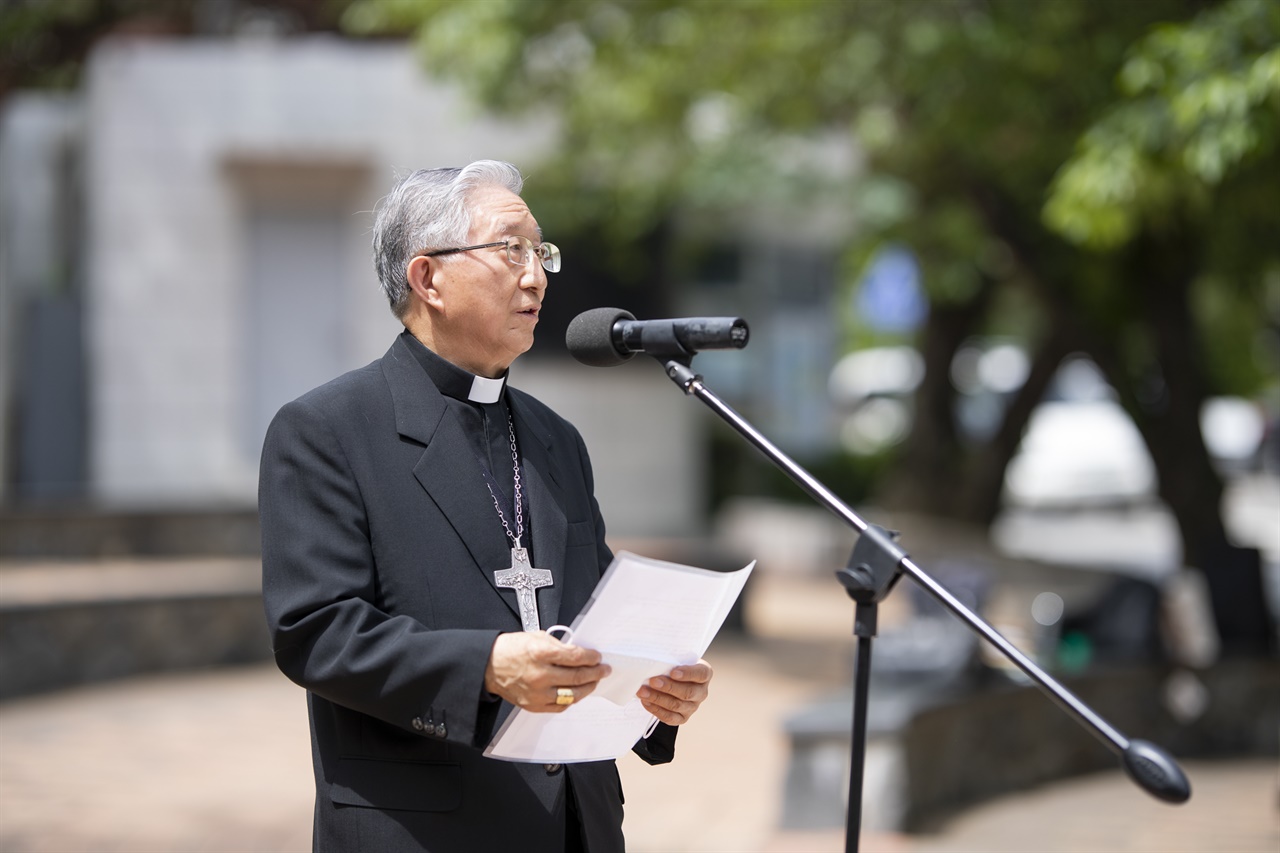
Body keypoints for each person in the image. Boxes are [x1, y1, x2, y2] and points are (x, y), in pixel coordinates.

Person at [259, 160, 714, 852]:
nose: (536, 275)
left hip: (574, 827)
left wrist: (653, 694)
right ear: (427, 278)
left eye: (541, 252)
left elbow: (595, 615)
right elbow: (317, 631)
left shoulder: (555, 439)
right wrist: (488, 666)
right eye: (511, 250)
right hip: (424, 827)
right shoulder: (328, 430)